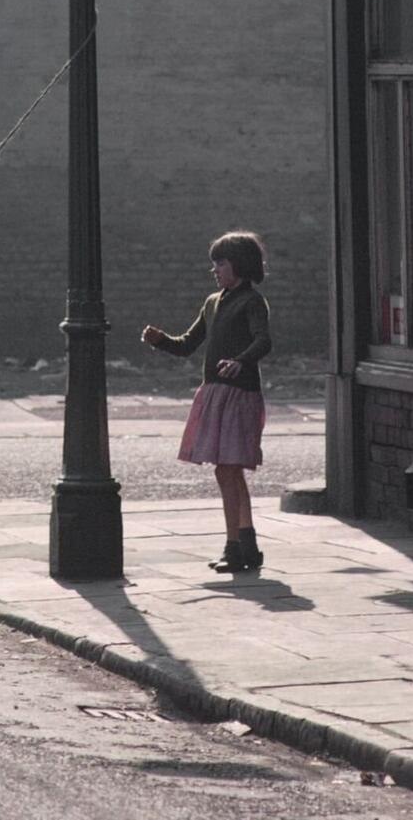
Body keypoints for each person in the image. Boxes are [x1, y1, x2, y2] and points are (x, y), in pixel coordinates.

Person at [141, 230, 271, 573]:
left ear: (239, 265)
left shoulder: (252, 301)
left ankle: (234, 548)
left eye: (221, 262)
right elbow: (187, 344)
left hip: (240, 394)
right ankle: (247, 547)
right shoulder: (212, 302)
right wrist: (161, 341)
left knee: (228, 469)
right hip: (215, 391)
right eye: (214, 263)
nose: (215, 269)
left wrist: (240, 360)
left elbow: (264, 341)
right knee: (229, 471)